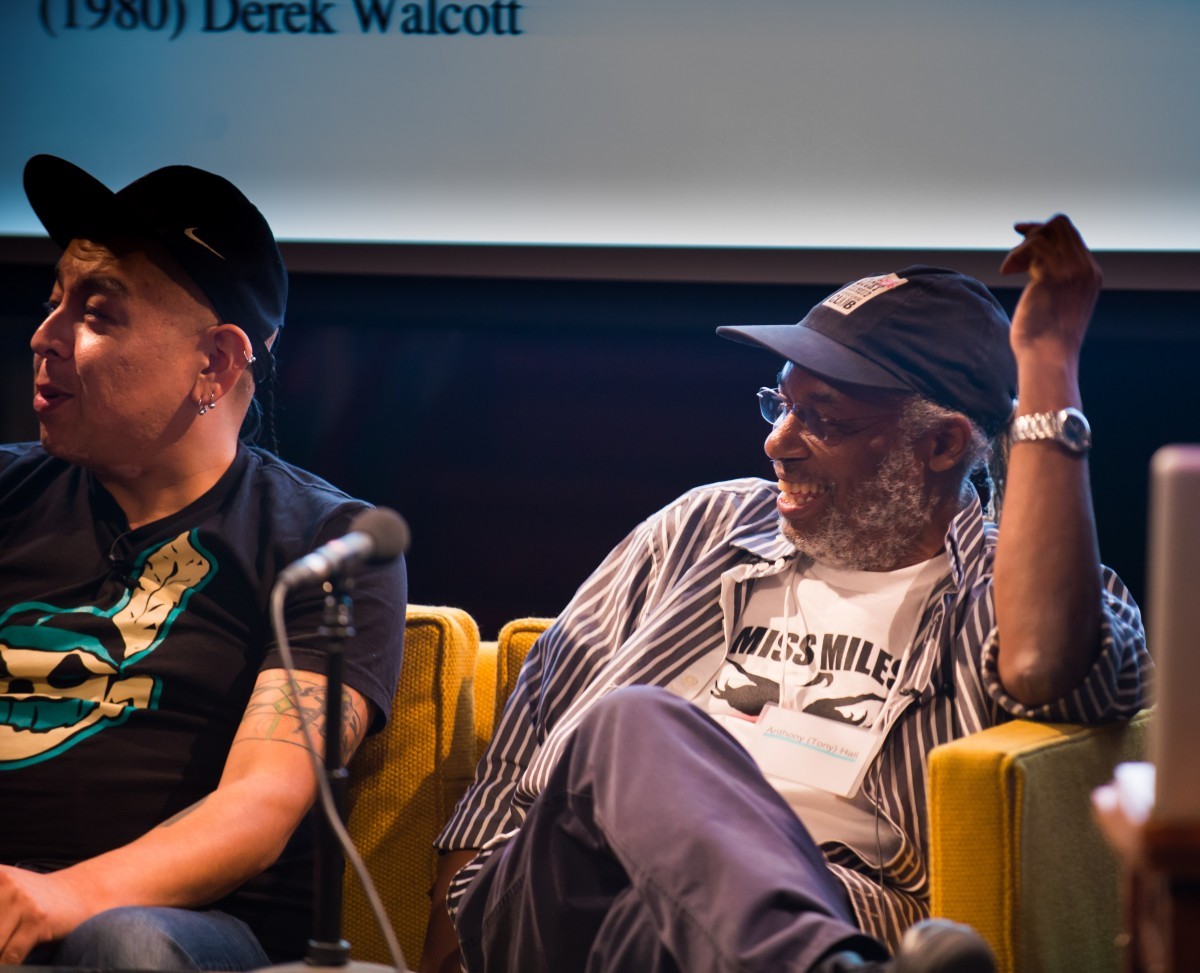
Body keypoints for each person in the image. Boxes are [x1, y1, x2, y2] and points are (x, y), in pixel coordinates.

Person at [421, 215, 1152, 973]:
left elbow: (1043, 662)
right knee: (630, 722)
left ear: (939, 445)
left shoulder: (998, 594)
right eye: (781, 403)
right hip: (558, 896)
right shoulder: (695, 530)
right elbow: (512, 773)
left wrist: (1048, 364)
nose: (778, 440)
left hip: (823, 896)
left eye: (824, 417)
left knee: (654, 921)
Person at [0, 155, 407, 969]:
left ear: (215, 363)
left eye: (98, 314)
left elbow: (259, 805)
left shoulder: (327, 544)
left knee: (126, 943)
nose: (45, 338)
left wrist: (58, 897)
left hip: (184, 930)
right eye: (53, 302)